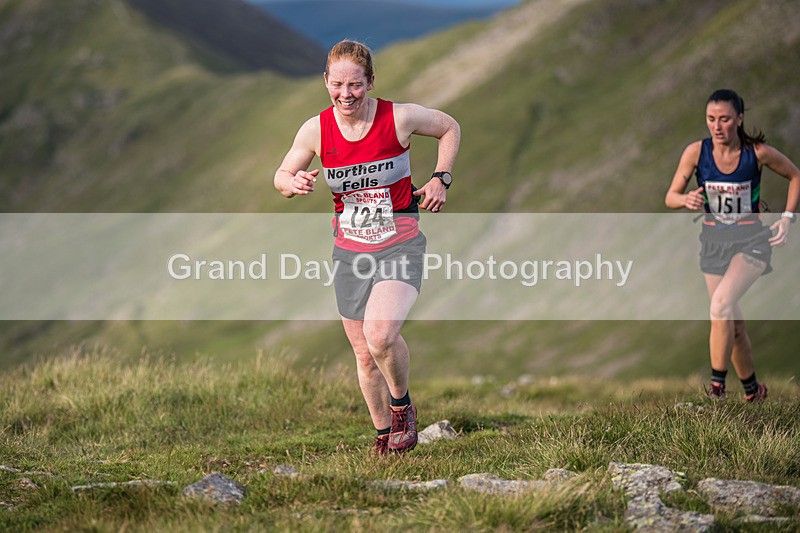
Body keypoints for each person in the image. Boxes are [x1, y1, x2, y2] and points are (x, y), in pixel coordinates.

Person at [274, 40, 460, 453]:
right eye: (337, 84)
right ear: (325, 81)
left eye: (355, 85)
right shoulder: (315, 130)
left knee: (380, 335)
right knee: (363, 353)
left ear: (371, 82)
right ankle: (384, 439)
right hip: (349, 252)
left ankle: (402, 408)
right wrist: (291, 181)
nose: (346, 94)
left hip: (400, 244)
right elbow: (282, 175)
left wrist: (440, 178)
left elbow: (449, 127)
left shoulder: (399, 118)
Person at [665, 89, 799, 401]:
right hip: (713, 244)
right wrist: (685, 199)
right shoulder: (696, 153)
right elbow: (670, 196)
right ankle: (754, 391)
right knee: (733, 324)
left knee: (720, 306)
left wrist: (787, 218)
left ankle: (716, 392)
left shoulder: (757, 153)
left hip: (751, 242)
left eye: (724, 119)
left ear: (739, 119)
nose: (717, 126)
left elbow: (795, 176)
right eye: (711, 119)